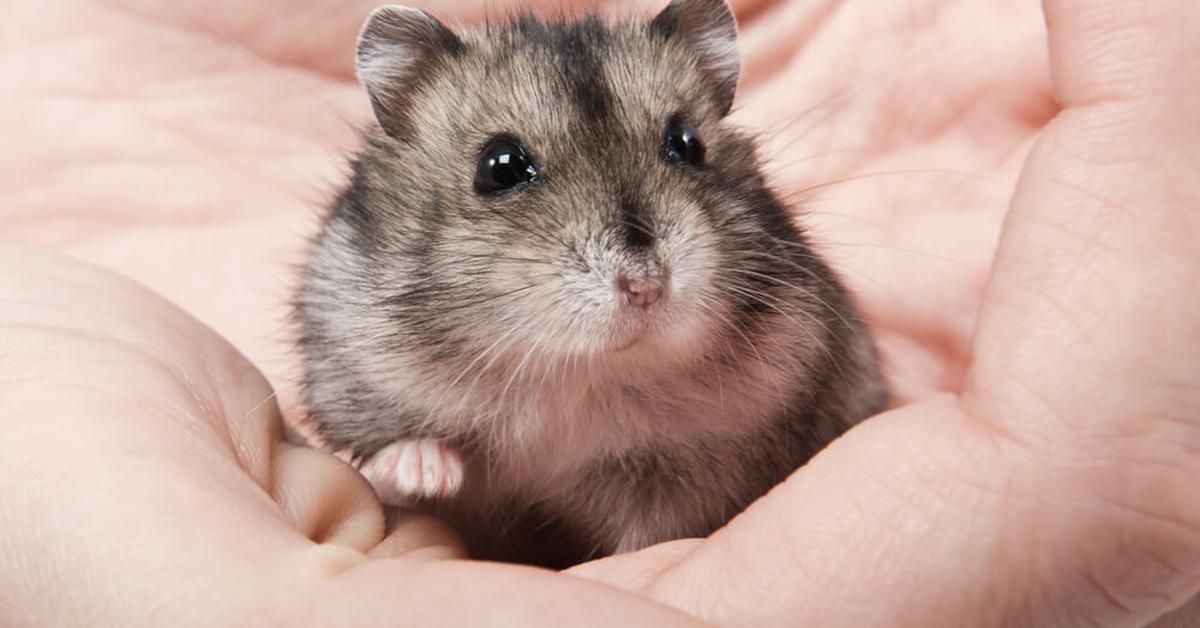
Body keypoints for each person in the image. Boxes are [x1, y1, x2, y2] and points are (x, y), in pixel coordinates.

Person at [2, 0, 1197, 625]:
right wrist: (403, 454)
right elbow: (353, 387)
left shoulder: (765, 315)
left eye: (684, 146)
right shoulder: (377, 302)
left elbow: (791, 383)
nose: (637, 260)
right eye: (510, 173)